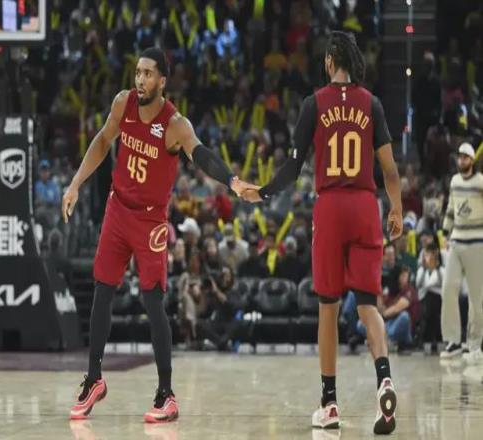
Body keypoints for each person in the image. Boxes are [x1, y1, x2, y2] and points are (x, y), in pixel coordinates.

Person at [62, 47, 255, 423]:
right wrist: (75, 184)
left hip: (150, 220)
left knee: (153, 302)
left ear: (163, 81)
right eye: (137, 72)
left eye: (148, 74)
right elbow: (102, 141)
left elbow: (202, 155)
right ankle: (94, 379)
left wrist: (232, 181)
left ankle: (166, 395)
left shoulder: (174, 123)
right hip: (118, 209)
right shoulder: (123, 103)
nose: (140, 79)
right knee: (102, 290)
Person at [242, 31, 402, 434]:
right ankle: (384, 377)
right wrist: (397, 209)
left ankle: (329, 403)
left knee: (328, 308)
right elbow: (390, 169)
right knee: (368, 306)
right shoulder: (372, 103)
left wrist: (262, 191)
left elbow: (293, 167)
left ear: (330, 61)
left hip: (330, 207)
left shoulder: (314, 103)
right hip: (365, 206)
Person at [440, 143, 483, 364]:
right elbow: (450, 208)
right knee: (448, 289)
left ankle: (474, 344)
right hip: (456, 241)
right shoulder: (455, 181)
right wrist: (444, 232)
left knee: (477, 298)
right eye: (460, 157)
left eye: (465, 157)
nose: (462, 160)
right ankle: (453, 340)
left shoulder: (481, 182)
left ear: (472, 160)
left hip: (477, 243)